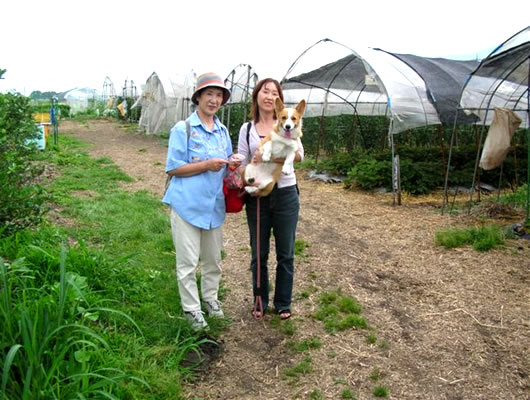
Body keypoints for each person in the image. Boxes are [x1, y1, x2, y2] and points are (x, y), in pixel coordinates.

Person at [163, 72, 238, 331]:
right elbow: (173, 168)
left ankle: (210, 299)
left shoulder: (222, 131)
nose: (214, 100)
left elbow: (227, 164)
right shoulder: (182, 128)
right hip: (186, 205)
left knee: (212, 259)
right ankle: (191, 310)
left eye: (219, 95)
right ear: (198, 97)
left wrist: (233, 163)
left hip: (213, 206)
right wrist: (206, 165)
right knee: (187, 262)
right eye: (209, 94)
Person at [238, 78, 303, 320]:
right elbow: (243, 162)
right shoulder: (247, 129)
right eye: (265, 91)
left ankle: (283, 303)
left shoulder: (288, 122)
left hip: (285, 192)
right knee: (258, 252)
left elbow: (299, 155)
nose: (269, 96)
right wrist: (244, 172)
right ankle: (260, 300)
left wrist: (269, 159)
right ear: (256, 96)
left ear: (279, 100)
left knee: (286, 252)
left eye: (274, 93)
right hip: (258, 196)